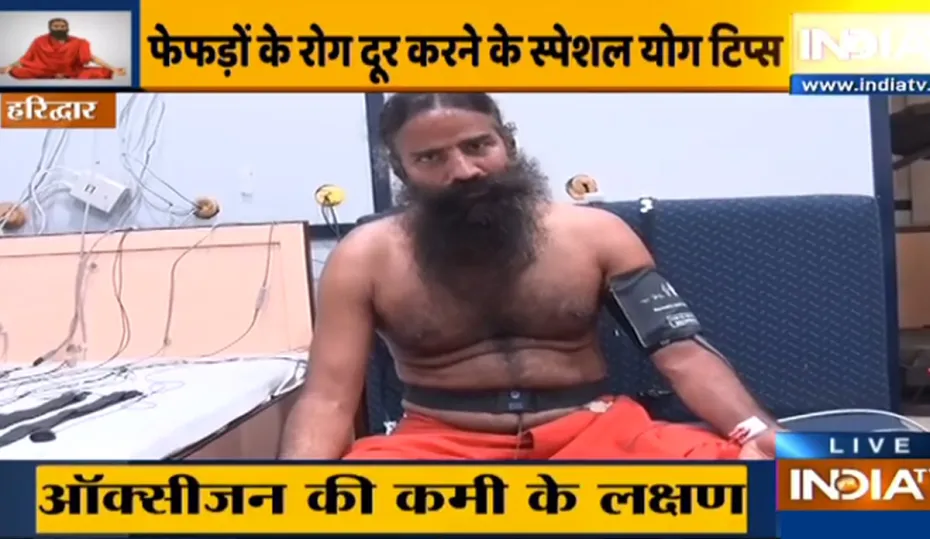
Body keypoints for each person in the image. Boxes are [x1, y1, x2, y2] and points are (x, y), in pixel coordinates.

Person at [280, 92, 781, 461]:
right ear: (401, 168)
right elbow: (328, 399)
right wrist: (294, 495)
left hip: (598, 432)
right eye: (431, 158)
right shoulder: (364, 257)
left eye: (478, 145)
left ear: (509, 144)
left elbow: (682, 355)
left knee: (774, 484)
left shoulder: (597, 234)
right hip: (434, 445)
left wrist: (759, 432)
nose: (464, 170)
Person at [0, 18, 126, 80]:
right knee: (17, 72)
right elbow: (26, 58)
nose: (59, 28)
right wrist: (9, 66)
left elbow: (91, 58)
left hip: (71, 70)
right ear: (50, 28)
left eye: (62, 26)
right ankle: (53, 76)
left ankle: (64, 75)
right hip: (45, 70)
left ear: (67, 28)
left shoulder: (78, 42)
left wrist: (113, 68)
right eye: (56, 26)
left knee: (102, 72)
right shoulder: (40, 41)